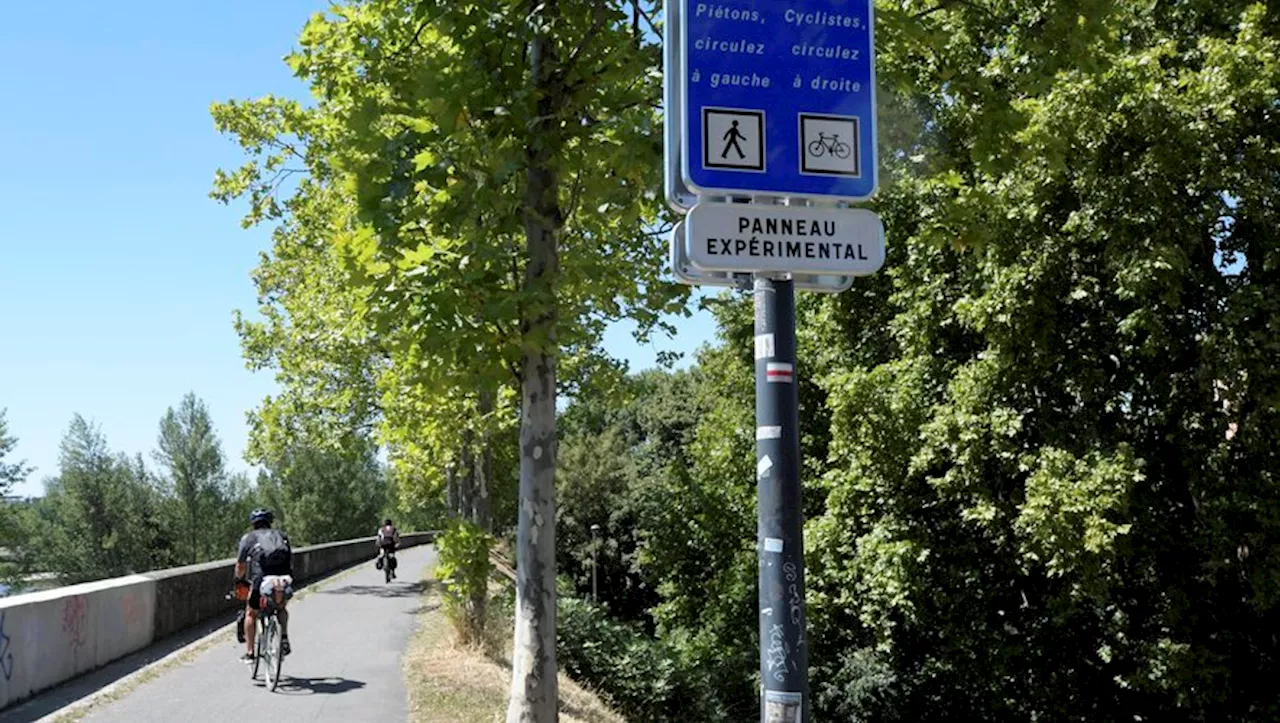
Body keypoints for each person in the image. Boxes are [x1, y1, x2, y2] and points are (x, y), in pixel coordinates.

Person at [234, 508, 293, 662]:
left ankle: (250, 652)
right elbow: (290, 559)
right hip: (283, 578)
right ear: (270, 522)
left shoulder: (248, 538)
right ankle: (284, 637)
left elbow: (240, 566)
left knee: (251, 613)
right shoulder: (281, 535)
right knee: (281, 608)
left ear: (253, 523)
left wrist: (239, 579)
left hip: (261, 579)